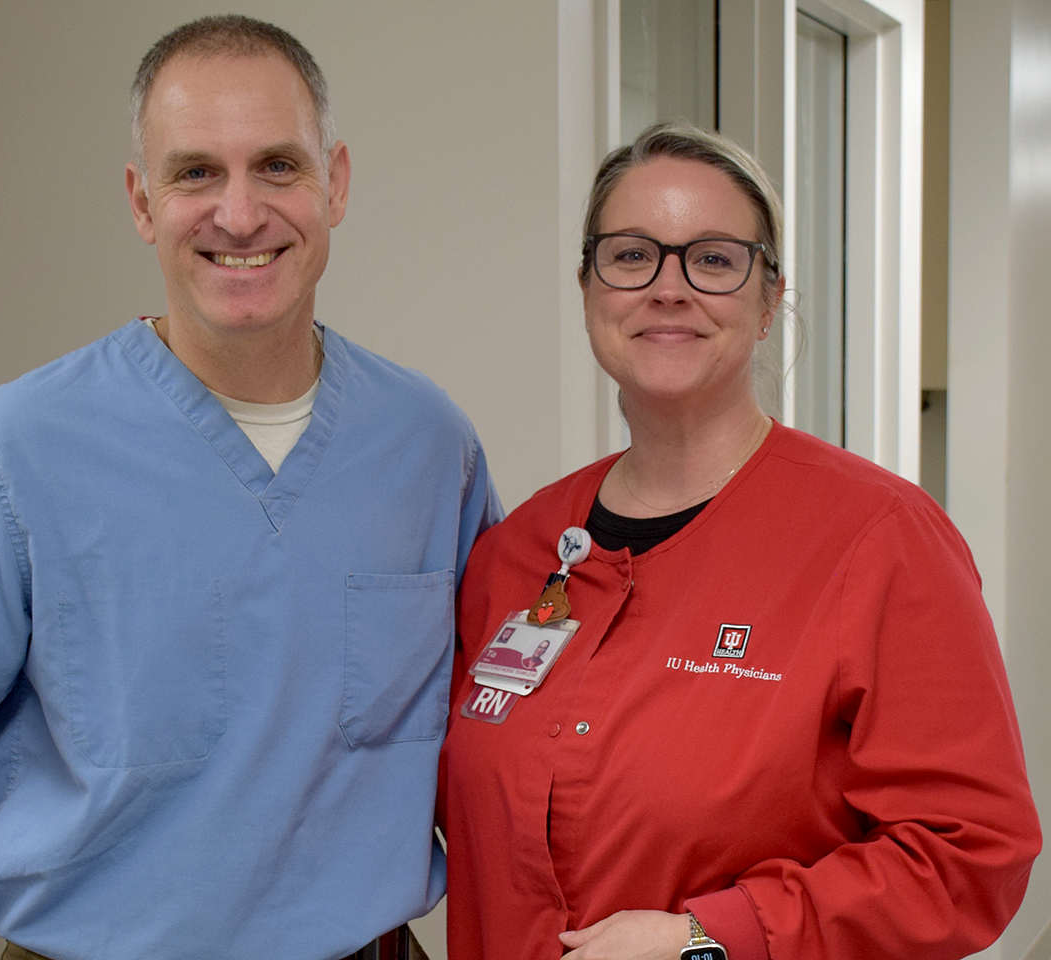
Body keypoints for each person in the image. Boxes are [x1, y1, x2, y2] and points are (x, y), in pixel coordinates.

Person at [0, 15, 500, 960]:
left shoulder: (430, 447)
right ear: (141, 201)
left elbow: (502, 735)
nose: (239, 214)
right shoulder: (17, 447)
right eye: (195, 172)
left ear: (337, 183)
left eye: (278, 165)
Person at [438, 121, 1040, 960]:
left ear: (770, 301)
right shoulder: (520, 550)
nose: (668, 288)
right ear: (587, 287)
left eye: (714, 259)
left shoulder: (881, 541)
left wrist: (708, 936)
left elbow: (972, 853)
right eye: (631, 255)